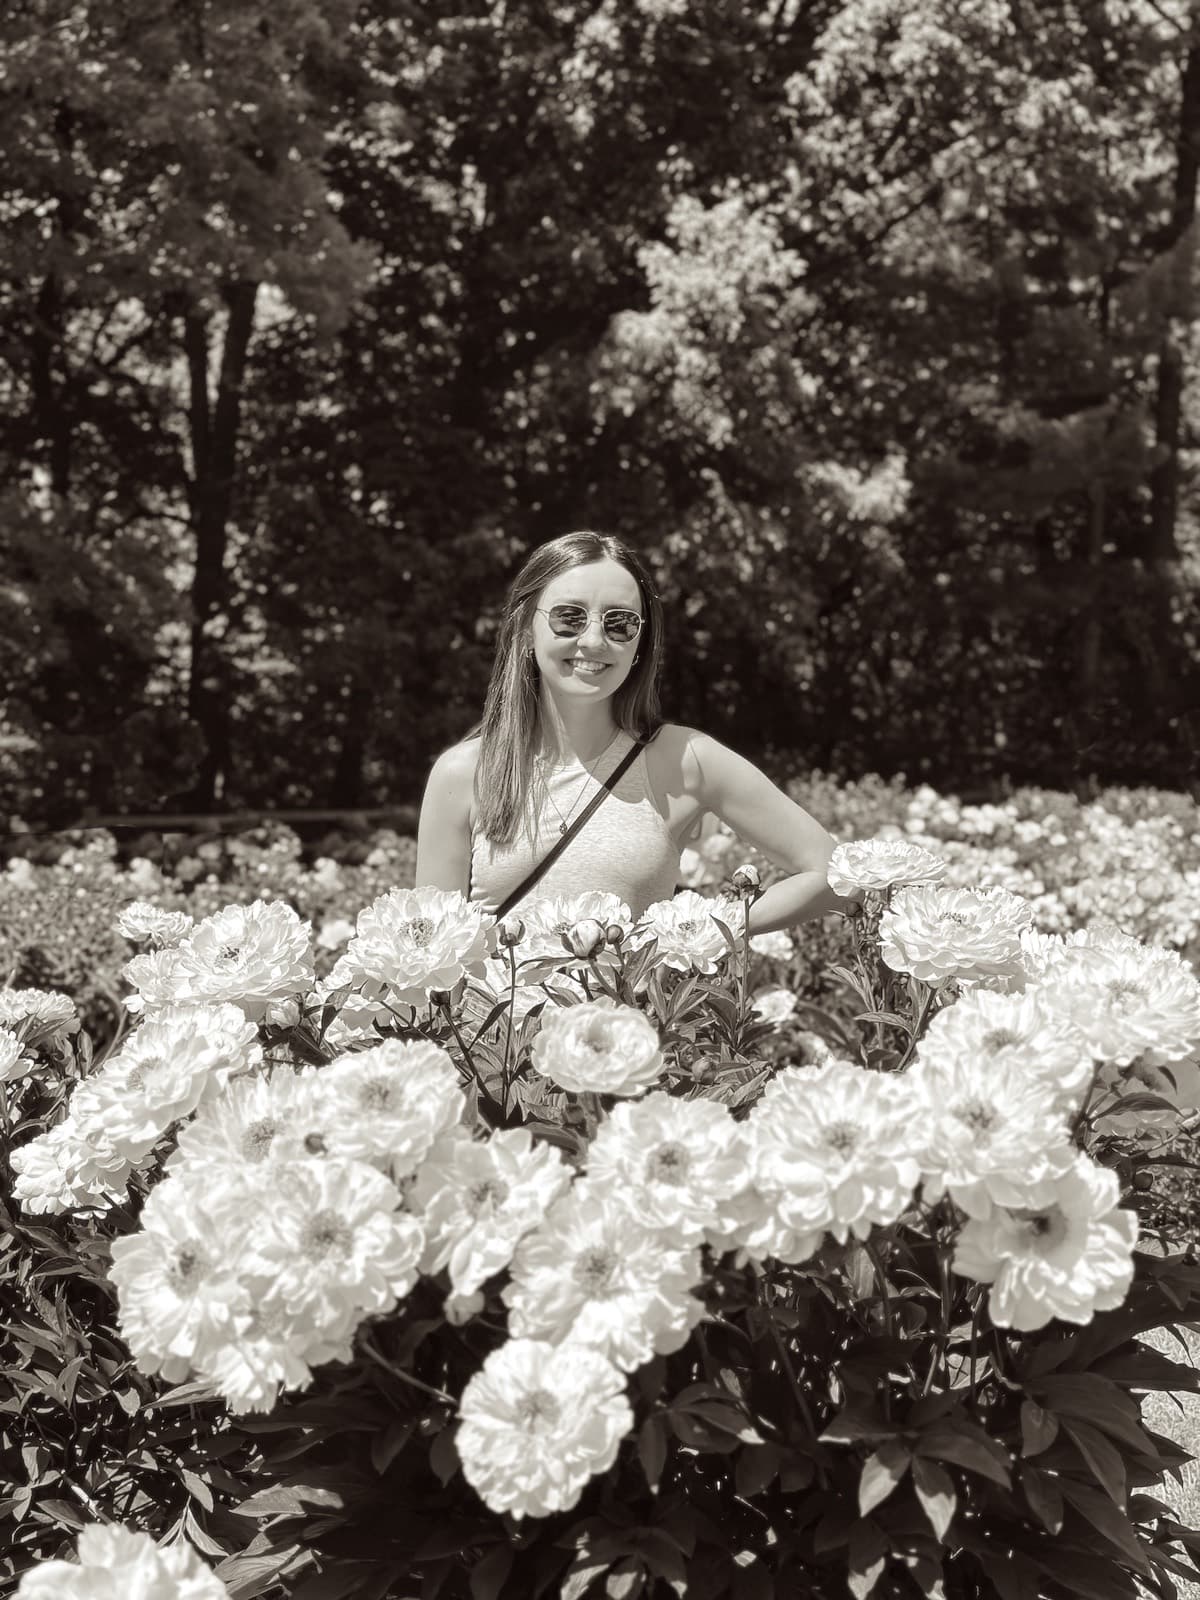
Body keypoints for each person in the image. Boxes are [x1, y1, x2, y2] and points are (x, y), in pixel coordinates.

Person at [415, 530, 856, 933]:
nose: (593, 641)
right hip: (496, 1022)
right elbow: (430, 947)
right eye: (569, 617)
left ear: (640, 644)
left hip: (628, 1022)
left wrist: (705, 933)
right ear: (525, 629)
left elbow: (836, 874)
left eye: (620, 623)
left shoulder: (686, 760)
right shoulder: (464, 772)